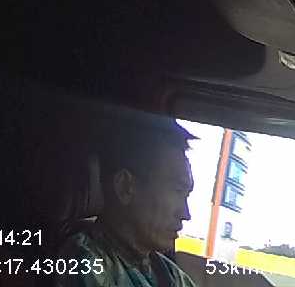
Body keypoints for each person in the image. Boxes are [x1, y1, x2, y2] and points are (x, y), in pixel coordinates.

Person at [57, 118, 197, 287]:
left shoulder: (168, 272)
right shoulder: (86, 264)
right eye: (177, 191)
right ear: (125, 187)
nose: (185, 214)